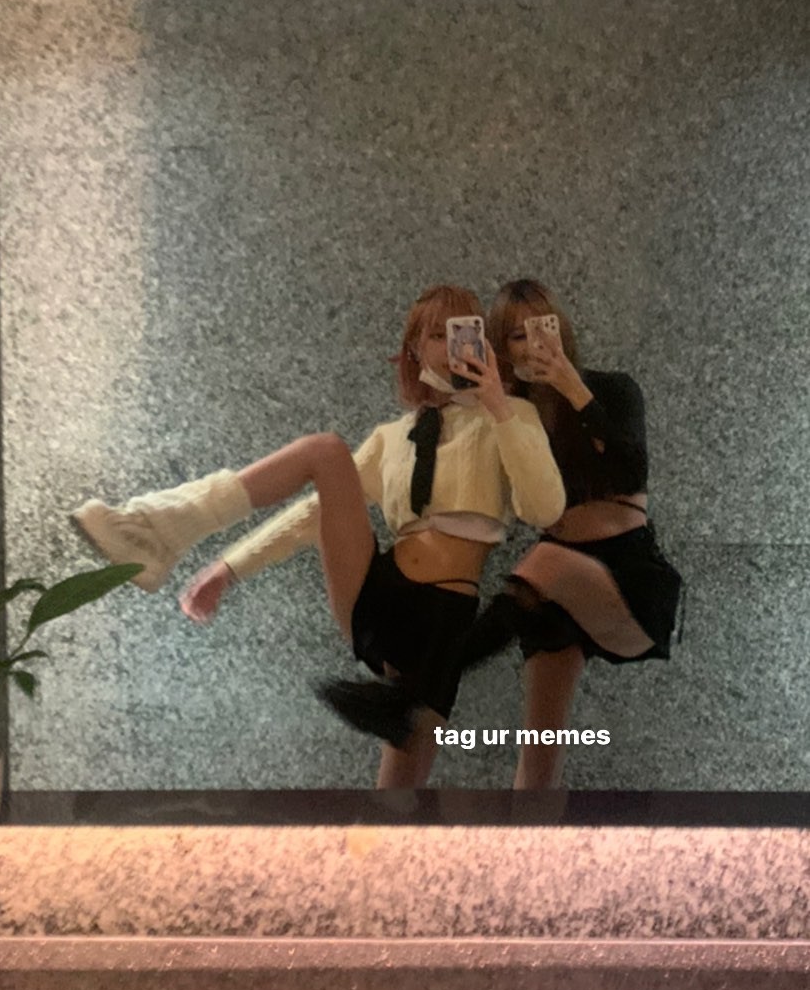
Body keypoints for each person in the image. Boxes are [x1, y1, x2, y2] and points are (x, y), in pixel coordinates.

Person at [72, 284, 565, 789]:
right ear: (414, 348)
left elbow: (545, 508)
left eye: (463, 331)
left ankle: (158, 532)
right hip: (379, 596)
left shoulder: (510, 419)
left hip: (442, 621)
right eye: (436, 335)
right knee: (325, 453)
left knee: (397, 797)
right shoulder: (391, 438)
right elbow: (314, 513)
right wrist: (229, 568)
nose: (449, 346)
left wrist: (498, 405)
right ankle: (157, 529)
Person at [450, 277, 684, 790]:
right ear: (502, 349)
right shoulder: (517, 416)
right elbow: (508, 506)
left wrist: (572, 387)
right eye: (516, 336)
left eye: (541, 328)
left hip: (625, 573)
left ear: (561, 328)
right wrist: (484, 409)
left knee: (546, 560)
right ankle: (528, 843)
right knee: (537, 759)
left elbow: (631, 471)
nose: (531, 344)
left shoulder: (613, 389)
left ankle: (431, 680)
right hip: (551, 588)